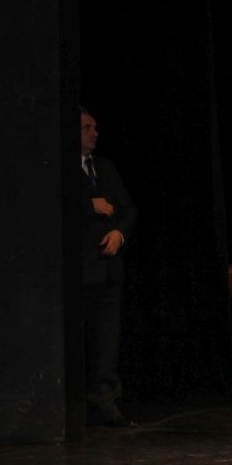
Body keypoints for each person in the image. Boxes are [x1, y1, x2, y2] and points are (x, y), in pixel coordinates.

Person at [80, 108, 138, 427]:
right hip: (77, 271)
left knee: (107, 342)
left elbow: (128, 209)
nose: (94, 133)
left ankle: (105, 403)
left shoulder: (105, 167)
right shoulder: (61, 169)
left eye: (95, 127)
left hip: (107, 269)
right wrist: (88, 204)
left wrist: (119, 234)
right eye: (87, 127)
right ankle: (74, 407)